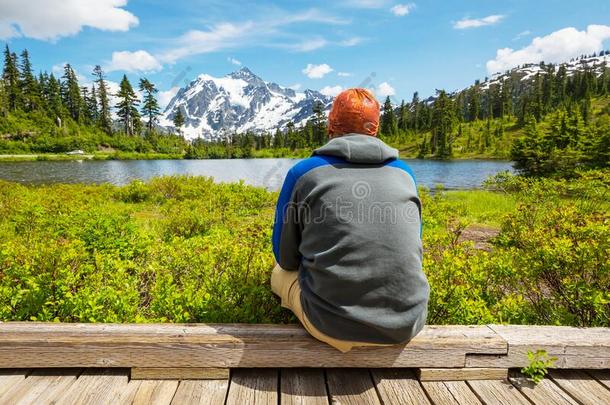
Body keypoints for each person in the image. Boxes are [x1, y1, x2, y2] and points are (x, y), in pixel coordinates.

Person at [271, 88, 429, 352]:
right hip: (407, 324)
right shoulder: (405, 174)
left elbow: (285, 259)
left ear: (331, 126)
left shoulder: (303, 172)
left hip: (331, 325)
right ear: (375, 129)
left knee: (278, 274)